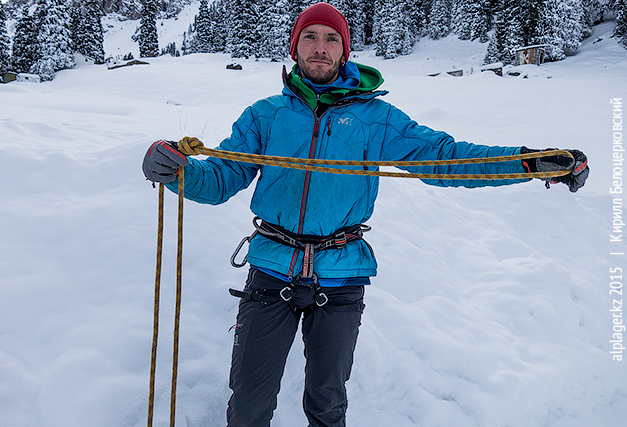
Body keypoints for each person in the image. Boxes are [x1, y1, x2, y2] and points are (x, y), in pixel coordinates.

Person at [142, 3, 589, 426]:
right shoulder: (266, 116)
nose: (320, 47)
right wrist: (178, 173)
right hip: (271, 269)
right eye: (311, 37)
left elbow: (447, 158)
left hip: (341, 274)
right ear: (294, 47)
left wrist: (531, 162)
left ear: (345, 49)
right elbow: (221, 178)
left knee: (327, 400)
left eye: (331, 39)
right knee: (249, 402)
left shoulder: (377, 119)